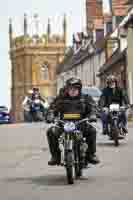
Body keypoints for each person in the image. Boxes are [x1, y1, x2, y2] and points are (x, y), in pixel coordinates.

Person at [47, 77, 100, 166]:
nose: (72, 90)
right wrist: (50, 115)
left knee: (92, 131)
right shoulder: (61, 99)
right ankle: (55, 156)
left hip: (81, 123)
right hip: (63, 124)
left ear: (79, 89)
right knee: (51, 132)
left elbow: (93, 107)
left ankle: (91, 155)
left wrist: (93, 114)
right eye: (70, 88)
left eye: (75, 88)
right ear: (67, 89)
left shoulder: (85, 98)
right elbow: (52, 108)